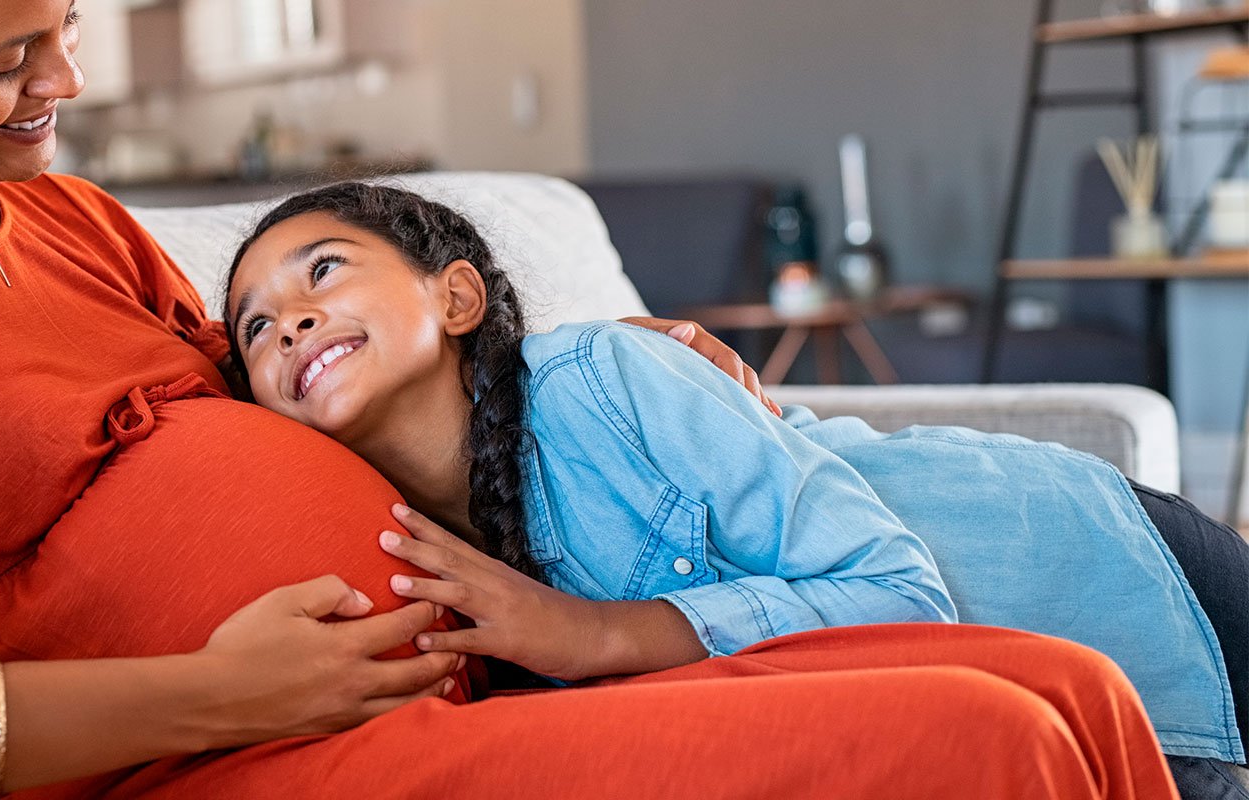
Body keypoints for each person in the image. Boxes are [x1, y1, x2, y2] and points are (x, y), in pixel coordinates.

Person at [0, 1, 1180, 797]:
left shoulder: (63, 216)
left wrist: (602, 356)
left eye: (63, 26)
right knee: (990, 755)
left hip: (453, 687)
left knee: (1068, 688)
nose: (63, 77)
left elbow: (312, 388)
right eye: (7, 58)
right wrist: (219, 693)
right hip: (247, 761)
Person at [221, 181, 1249, 798]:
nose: (291, 323)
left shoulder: (604, 381)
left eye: (323, 272)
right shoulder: (414, 545)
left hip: (1109, 589)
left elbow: (898, 590)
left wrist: (600, 633)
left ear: (454, 295)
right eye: (256, 327)